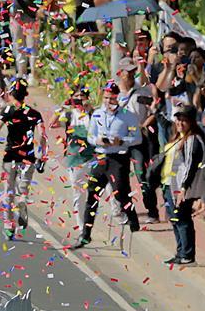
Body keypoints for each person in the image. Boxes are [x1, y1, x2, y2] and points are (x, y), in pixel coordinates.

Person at [72, 82, 142, 249]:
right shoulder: (97, 114)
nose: (108, 102)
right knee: (92, 194)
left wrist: (122, 141)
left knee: (120, 193)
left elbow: (137, 137)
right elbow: (90, 135)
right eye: (106, 98)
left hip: (118, 158)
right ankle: (86, 233)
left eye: (112, 99)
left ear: (117, 99)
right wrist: (97, 140)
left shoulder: (127, 116)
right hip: (101, 156)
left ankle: (132, 218)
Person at [0, 79, 46, 239]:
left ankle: (9, 224)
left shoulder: (7, 110)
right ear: (25, 95)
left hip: (10, 156)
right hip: (28, 156)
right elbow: (43, 136)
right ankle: (23, 201)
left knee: (8, 191)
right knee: (24, 188)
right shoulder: (35, 114)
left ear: (11, 93)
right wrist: (42, 155)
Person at [158, 107, 205, 265]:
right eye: (178, 119)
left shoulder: (192, 139)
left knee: (182, 219)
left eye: (184, 120)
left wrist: (184, 188)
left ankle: (187, 254)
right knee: (175, 219)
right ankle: (180, 252)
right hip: (169, 183)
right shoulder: (176, 137)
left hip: (181, 187)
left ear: (191, 122)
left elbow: (191, 165)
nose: (180, 123)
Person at [116, 56, 159, 223]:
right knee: (120, 177)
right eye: (127, 72)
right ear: (120, 73)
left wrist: (143, 125)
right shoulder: (113, 92)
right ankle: (126, 211)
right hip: (119, 142)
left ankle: (152, 211)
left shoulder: (141, 91)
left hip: (137, 142)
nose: (131, 75)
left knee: (142, 176)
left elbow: (154, 111)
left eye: (133, 71)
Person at [52, 85, 96, 235]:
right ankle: (82, 227)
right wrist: (62, 106)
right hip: (75, 161)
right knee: (79, 195)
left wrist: (90, 109)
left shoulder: (94, 114)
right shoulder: (70, 115)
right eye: (76, 97)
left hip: (93, 159)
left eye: (81, 97)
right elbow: (53, 124)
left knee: (96, 192)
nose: (79, 101)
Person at [1, 0, 47, 83]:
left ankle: (33, 73)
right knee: (18, 44)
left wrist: (43, 7)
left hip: (32, 17)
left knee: (32, 46)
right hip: (17, 17)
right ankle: (21, 72)